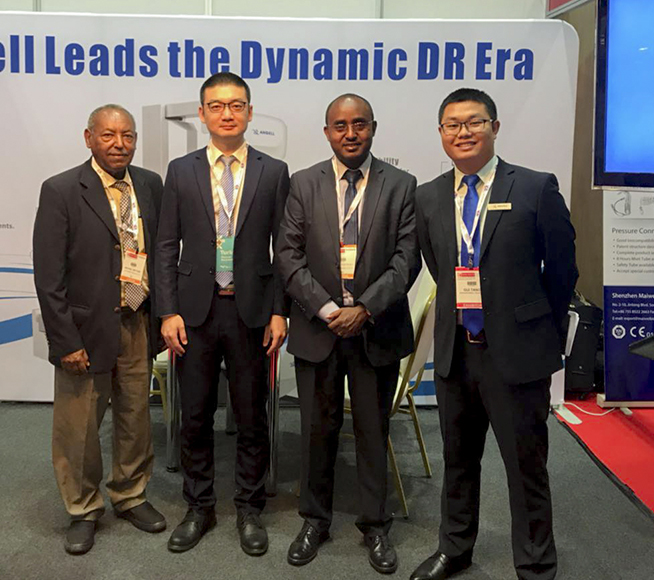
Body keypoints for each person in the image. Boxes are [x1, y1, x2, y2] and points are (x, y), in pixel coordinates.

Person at [411, 88, 578, 580]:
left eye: (474, 122)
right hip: (457, 353)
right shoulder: (429, 196)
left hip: (517, 354)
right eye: (452, 125)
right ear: (441, 133)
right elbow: (438, 266)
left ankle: (535, 566)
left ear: (495, 127)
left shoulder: (534, 188)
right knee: (457, 460)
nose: (463, 132)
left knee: (526, 467)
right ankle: (455, 548)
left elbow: (563, 271)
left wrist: (538, 330)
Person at [276, 94, 421, 575]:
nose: (350, 133)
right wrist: (326, 308)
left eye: (359, 124)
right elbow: (288, 256)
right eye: (340, 125)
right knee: (317, 430)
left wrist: (364, 309)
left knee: (372, 430)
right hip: (318, 329)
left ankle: (375, 525)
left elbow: (406, 261)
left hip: (374, 329)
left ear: (373, 128)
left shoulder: (401, 185)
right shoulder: (303, 183)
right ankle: (314, 521)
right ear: (327, 132)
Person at [155, 72, 289, 555]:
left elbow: (285, 249)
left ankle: (250, 508)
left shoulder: (274, 171)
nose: (226, 114)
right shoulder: (181, 170)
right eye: (216, 106)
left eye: (236, 105)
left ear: (249, 112)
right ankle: (199, 506)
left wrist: (280, 312)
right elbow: (165, 246)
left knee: (252, 416)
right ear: (202, 113)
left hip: (251, 311)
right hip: (194, 313)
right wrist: (167, 311)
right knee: (194, 416)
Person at [33, 104, 166, 555]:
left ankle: (130, 494)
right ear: (88, 138)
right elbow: (49, 276)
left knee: (136, 417)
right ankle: (83, 508)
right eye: (108, 135)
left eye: (127, 136)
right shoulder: (61, 190)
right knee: (80, 427)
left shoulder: (149, 185)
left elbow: (158, 255)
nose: (119, 144)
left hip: (137, 321)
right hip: (85, 330)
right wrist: (65, 341)